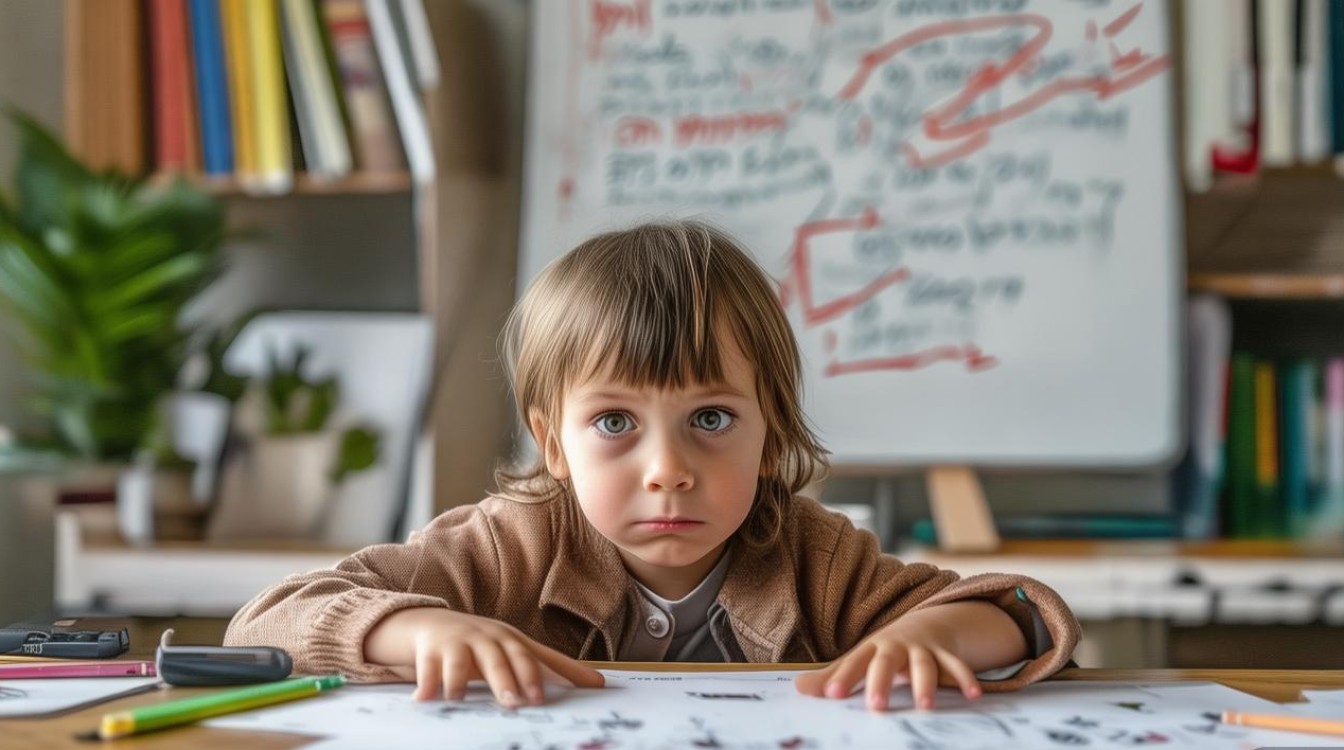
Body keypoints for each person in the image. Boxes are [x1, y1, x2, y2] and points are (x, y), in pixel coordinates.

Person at [224, 220, 1081, 712]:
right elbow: (268, 622)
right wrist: (417, 631)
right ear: (553, 443)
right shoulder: (505, 546)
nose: (668, 468)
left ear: (771, 436)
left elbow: (1020, 613)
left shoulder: (812, 555)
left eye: (711, 418)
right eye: (613, 423)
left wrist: (929, 636)